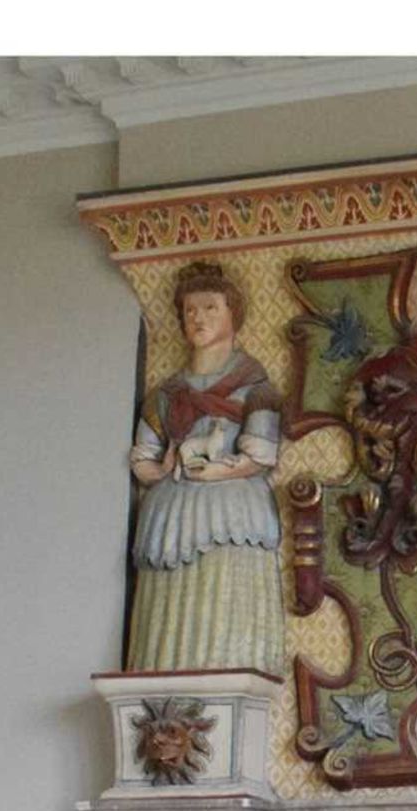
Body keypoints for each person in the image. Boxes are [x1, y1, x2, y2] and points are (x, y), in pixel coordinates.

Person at [126, 261, 285, 675]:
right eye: (190, 310)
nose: (198, 317)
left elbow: (260, 455)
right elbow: (143, 457)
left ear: (233, 314)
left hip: (233, 508)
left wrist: (221, 473)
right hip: (172, 509)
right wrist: (161, 471)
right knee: (166, 628)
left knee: (224, 606)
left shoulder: (255, 387)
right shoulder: (166, 393)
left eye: (211, 307)